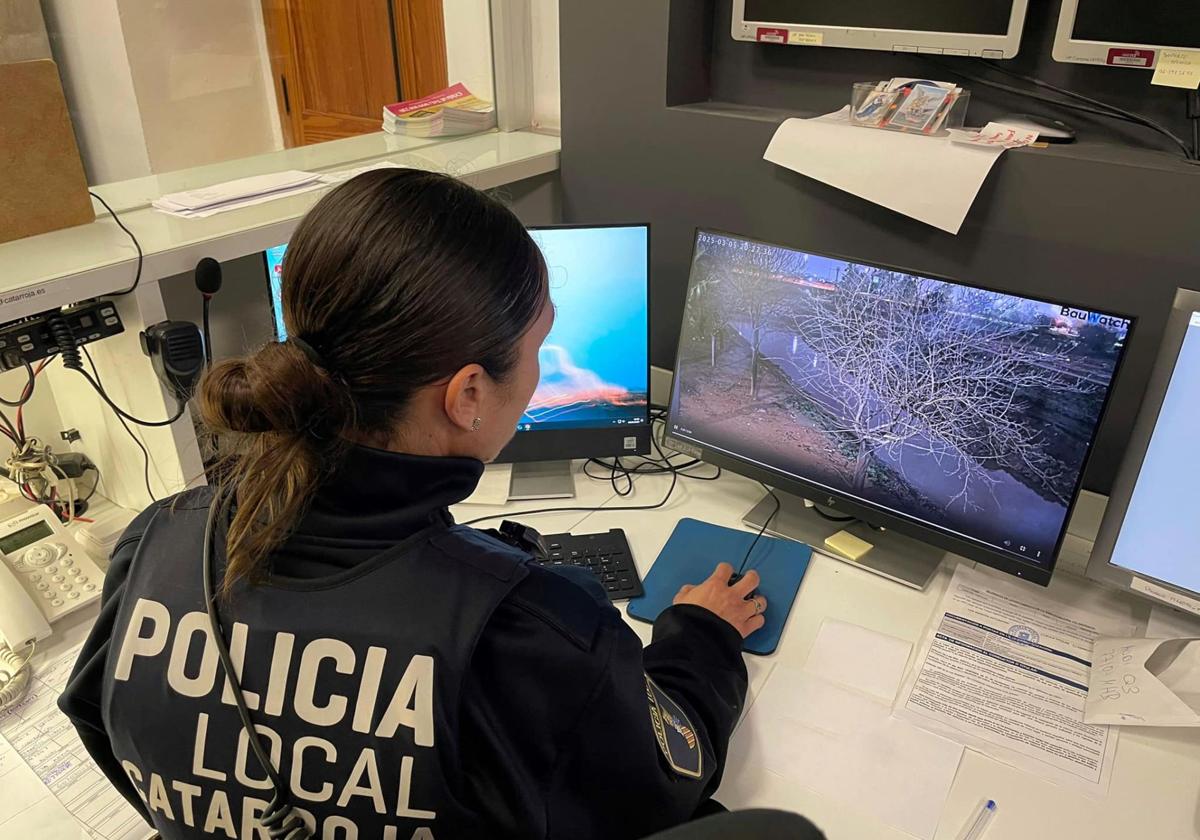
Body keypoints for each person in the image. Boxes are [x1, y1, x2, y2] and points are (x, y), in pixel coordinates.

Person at [58, 169, 768, 840]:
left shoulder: (155, 541)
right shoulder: (534, 630)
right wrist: (700, 636)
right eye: (537, 350)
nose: (538, 374)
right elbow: (669, 781)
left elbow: (104, 728)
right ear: (466, 395)